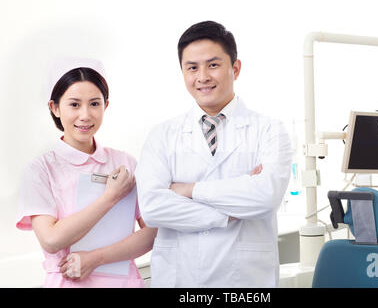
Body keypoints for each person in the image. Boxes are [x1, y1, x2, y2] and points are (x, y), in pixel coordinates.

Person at [135, 21, 292, 287]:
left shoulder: (269, 130)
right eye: (192, 67)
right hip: (180, 279)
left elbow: (265, 197)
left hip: (245, 281)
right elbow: (152, 208)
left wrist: (188, 190)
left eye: (213, 65)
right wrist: (229, 213)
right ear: (183, 72)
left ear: (236, 68)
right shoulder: (161, 135)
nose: (203, 76)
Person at [16, 58, 157, 287]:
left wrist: (95, 258)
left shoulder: (125, 162)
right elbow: (51, 240)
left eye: (94, 103)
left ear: (106, 106)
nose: (85, 115)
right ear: (55, 108)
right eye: (74, 104)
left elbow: (152, 232)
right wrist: (110, 197)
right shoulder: (40, 170)